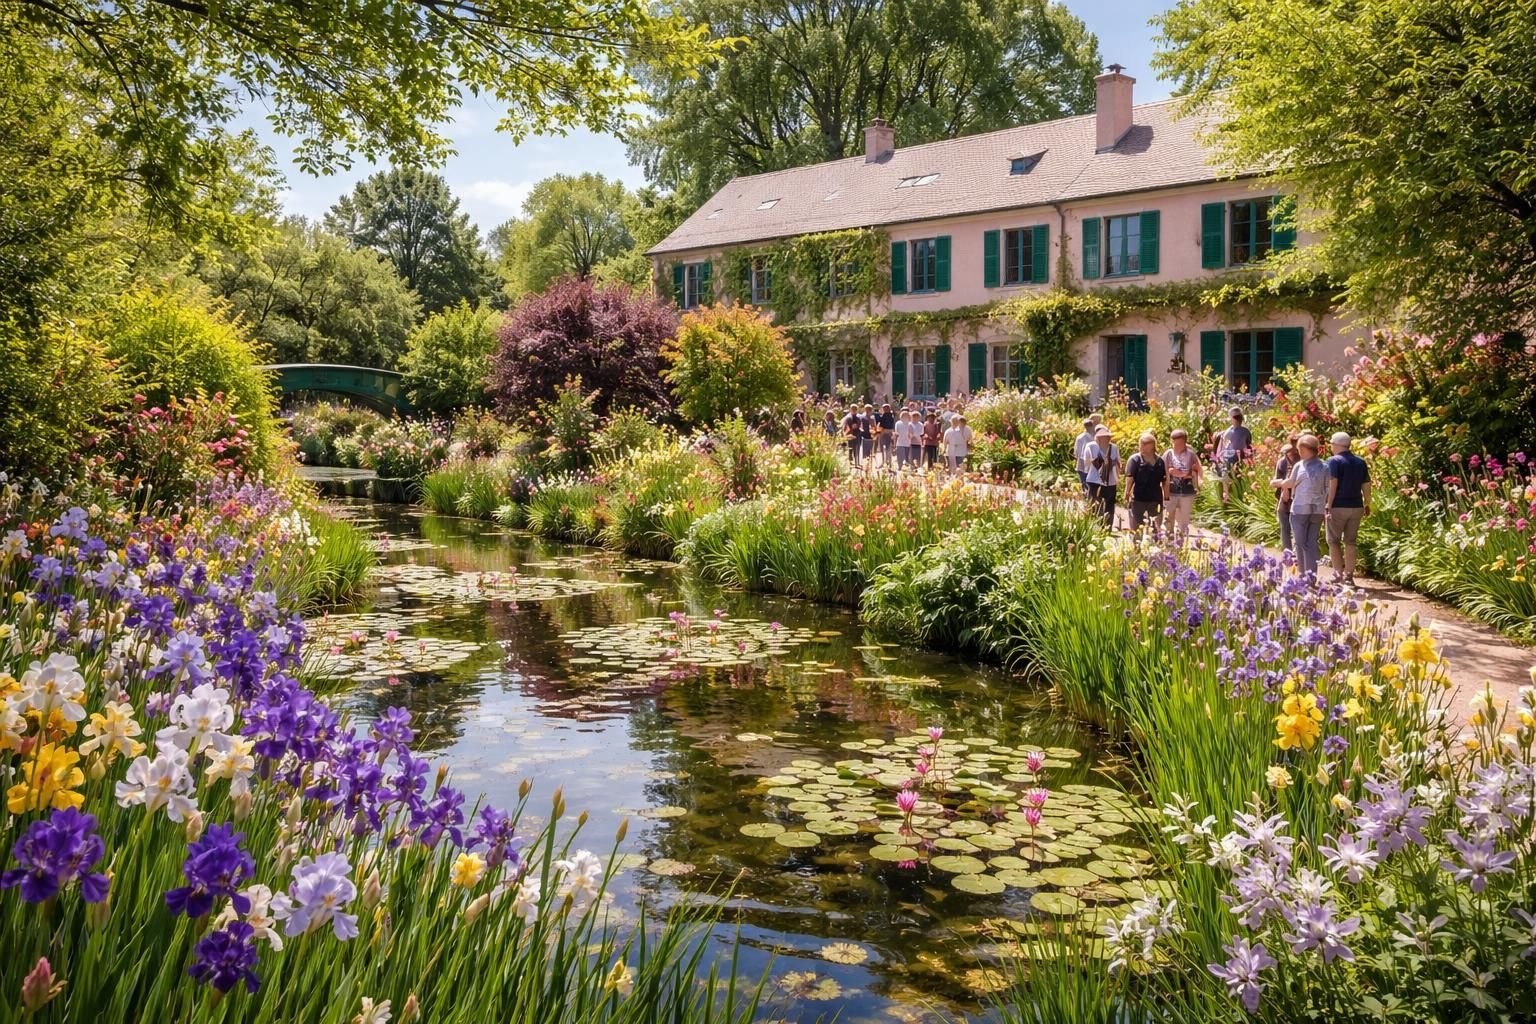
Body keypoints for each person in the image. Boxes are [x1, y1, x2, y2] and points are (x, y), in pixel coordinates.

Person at [1325, 432, 1371, 585]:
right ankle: (1349, 576)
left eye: (1332, 444)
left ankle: (1338, 574)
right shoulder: (1360, 462)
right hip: (1356, 506)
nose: (1331, 446)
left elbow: (1332, 484)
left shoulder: (1333, 461)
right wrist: (1367, 503)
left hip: (1338, 506)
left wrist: (1328, 504)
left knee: (1333, 541)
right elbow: (1366, 484)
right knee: (1351, 541)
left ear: (1337, 445)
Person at [1281, 434, 1328, 576]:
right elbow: (1328, 488)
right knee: (1312, 542)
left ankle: (1303, 574)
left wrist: (1279, 483)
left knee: (1300, 542)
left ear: (1304, 449)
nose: (1299, 452)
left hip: (1300, 507)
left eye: (1300, 449)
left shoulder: (1299, 465)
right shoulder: (1325, 466)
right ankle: (1311, 575)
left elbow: (1291, 482)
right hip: (1318, 509)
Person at [1124, 432, 1168, 537]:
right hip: (1138, 499)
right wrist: (1126, 494)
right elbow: (1130, 479)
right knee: (1136, 529)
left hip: (1155, 499)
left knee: (1155, 529)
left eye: (1145, 444)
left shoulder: (1160, 461)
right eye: (1141, 443)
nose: (1142, 446)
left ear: (1152, 445)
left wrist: (1166, 496)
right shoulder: (1134, 460)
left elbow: (1164, 480)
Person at [1162, 429, 1201, 545]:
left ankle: (1180, 543)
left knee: (1183, 520)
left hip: (1187, 491)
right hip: (1171, 491)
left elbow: (1197, 470)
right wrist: (1169, 473)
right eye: (1175, 443)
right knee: (1168, 518)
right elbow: (1162, 471)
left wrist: (1191, 476)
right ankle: (1168, 541)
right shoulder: (1168, 454)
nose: (1177, 446)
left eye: (1180, 443)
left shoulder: (1191, 455)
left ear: (1185, 442)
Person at [1084, 426, 1121, 528]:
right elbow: (1087, 462)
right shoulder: (1091, 446)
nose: (1105, 439)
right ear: (1098, 438)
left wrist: (1113, 466)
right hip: (1094, 480)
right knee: (1094, 505)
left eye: (1107, 437)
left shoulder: (1113, 448)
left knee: (1109, 505)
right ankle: (1095, 526)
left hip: (1110, 481)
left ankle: (1107, 527)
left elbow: (1118, 463)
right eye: (1103, 437)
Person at [1271, 434, 1301, 554]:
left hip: (1298, 500)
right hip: (1284, 501)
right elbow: (1275, 481)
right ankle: (1288, 555)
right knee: (1285, 529)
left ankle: (1297, 555)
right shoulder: (1283, 461)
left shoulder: (1303, 462)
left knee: (1297, 531)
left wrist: (1285, 486)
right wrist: (1284, 486)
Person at [1215, 408, 1253, 504]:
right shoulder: (1229, 432)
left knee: (1237, 481)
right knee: (1230, 480)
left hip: (1239, 460)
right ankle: (1229, 499)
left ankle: (1233, 499)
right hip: (1231, 460)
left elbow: (1248, 445)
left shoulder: (1243, 431)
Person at [1073, 418, 1097, 497]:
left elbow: (1076, 452)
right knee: (1087, 484)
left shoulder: (1081, 437)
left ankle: (1088, 498)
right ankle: (1089, 498)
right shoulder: (1093, 437)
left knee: (1086, 484)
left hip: (1086, 465)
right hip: (1086, 465)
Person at [875, 403, 897, 470]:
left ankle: (889, 463)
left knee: (888, 448)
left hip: (888, 432)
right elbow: (879, 424)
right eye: (884, 408)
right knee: (882, 448)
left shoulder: (891, 416)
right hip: (883, 432)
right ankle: (883, 462)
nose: (885, 409)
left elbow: (891, 425)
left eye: (887, 408)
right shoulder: (882, 416)